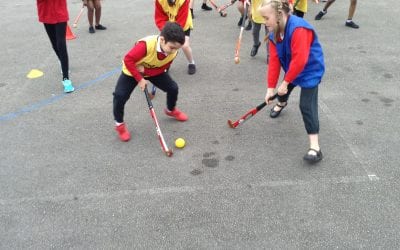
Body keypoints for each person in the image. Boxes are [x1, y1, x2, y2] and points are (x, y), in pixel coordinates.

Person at [259, 0, 325, 163]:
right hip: (292, 67)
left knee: (306, 105)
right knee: (282, 92)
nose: (264, 22)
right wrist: (270, 88)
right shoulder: (275, 31)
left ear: (279, 15)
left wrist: (285, 82)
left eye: (266, 18)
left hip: (310, 69)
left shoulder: (299, 28)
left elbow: (300, 60)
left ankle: (315, 147)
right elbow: (274, 60)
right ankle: (281, 103)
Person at [112, 22, 188, 142]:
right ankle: (119, 125)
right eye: (172, 47)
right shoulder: (145, 45)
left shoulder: (173, 52)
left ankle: (170, 110)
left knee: (173, 88)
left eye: (176, 48)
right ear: (162, 40)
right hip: (132, 70)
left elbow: (164, 67)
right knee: (120, 96)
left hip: (152, 70)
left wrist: (146, 71)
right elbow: (128, 59)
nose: (173, 51)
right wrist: (140, 78)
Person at [36, 0, 74, 93]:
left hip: (60, 11)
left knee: (61, 44)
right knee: (54, 44)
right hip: (46, 12)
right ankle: (62, 62)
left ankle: (66, 79)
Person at [155, 0, 197, 75]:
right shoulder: (159, 1)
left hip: (183, 25)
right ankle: (166, 64)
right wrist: (165, 30)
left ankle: (191, 62)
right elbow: (159, 17)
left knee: (185, 46)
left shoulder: (183, 1)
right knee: (166, 46)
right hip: (168, 26)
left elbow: (182, 19)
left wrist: (172, 34)